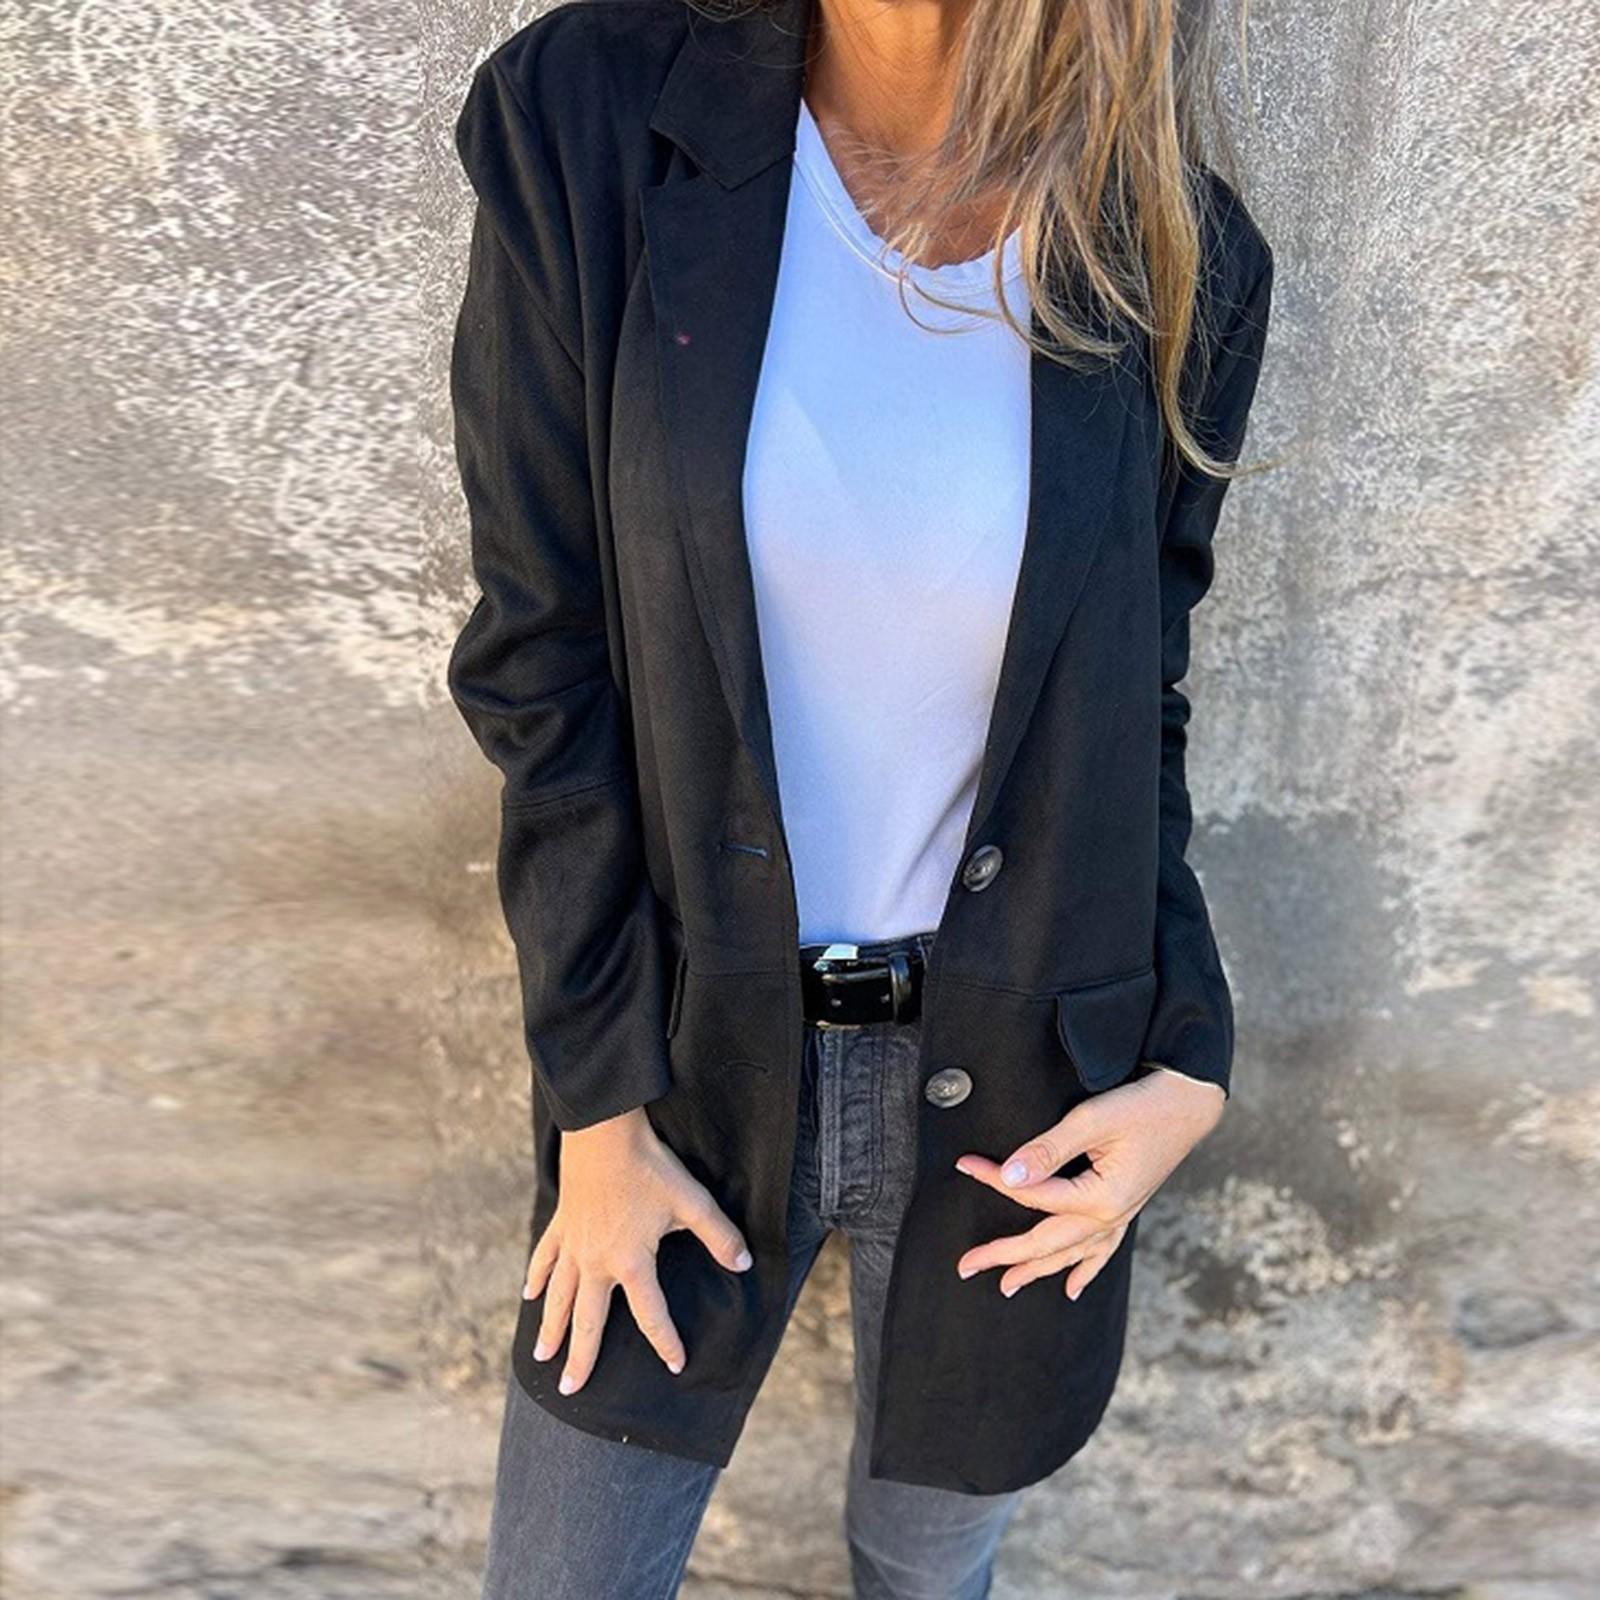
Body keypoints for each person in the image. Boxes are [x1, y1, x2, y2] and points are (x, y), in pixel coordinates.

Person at [445, 0, 1276, 1593]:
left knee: (927, 1577)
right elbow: (540, 664)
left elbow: (1134, 709)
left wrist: (1190, 1057)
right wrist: (598, 1111)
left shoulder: (1176, 244)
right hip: (679, 1071)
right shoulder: (590, 121)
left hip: (1026, 1092)